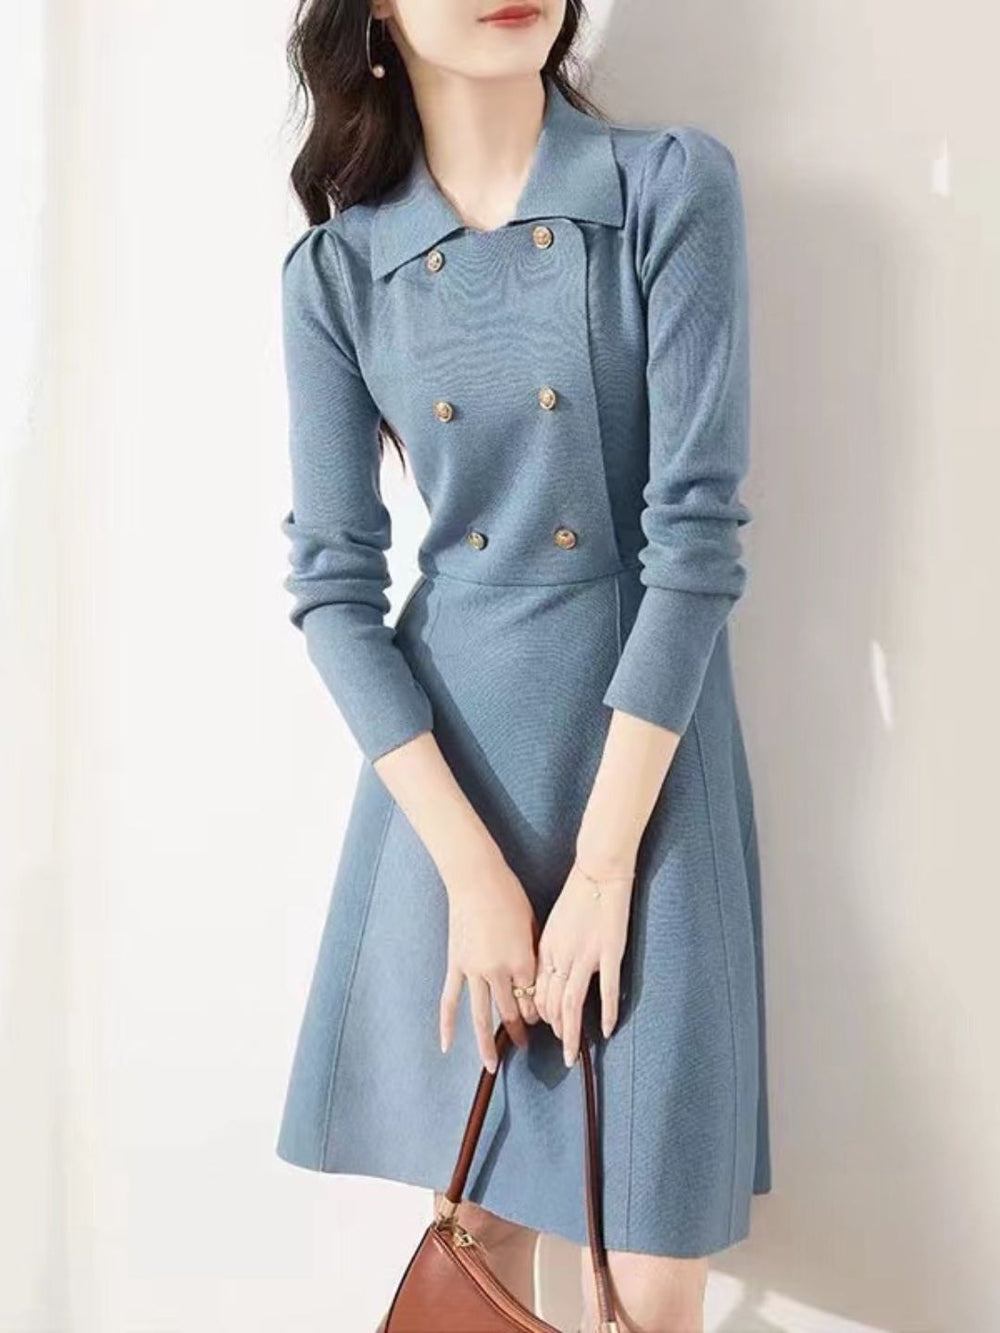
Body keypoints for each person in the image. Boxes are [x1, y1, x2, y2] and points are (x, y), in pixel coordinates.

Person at [274, 2, 771, 1328]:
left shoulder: (667, 188)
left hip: (645, 774)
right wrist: (473, 876)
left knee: (646, 1267)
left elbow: (695, 545)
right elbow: (333, 592)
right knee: (483, 1242)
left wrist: (603, 869)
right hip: (456, 788)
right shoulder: (339, 274)